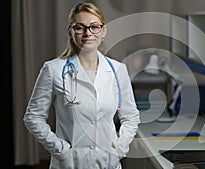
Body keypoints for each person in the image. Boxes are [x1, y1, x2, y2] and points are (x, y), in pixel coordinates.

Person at [23, 2, 140, 169]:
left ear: (103, 31)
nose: (87, 33)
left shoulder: (118, 70)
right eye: (80, 27)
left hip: (108, 162)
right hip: (70, 163)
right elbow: (33, 117)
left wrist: (120, 148)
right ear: (71, 32)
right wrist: (60, 148)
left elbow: (130, 116)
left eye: (94, 27)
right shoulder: (53, 69)